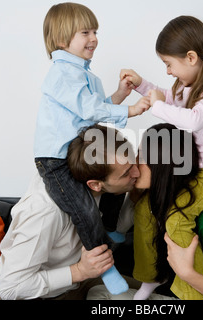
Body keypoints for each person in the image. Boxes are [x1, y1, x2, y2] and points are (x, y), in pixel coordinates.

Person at [34, 3, 150, 295]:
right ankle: (103, 264)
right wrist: (132, 111)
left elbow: (97, 109)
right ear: (62, 40)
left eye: (95, 31)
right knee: (85, 212)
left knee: (115, 181)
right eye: (85, 32)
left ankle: (110, 227)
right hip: (56, 160)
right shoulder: (61, 73)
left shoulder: (86, 75)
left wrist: (121, 95)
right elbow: (89, 107)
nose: (94, 38)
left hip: (81, 152)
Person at [120, 16, 203, 299]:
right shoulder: (188, 84)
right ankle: (151, 278)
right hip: (190, 166)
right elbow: (170, 102)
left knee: (177, 218)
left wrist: (158, 106)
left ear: (192, 57)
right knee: (146, 209)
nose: (169, 72)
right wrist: (142, 85)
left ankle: (192, 293)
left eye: (169, 64)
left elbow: (192, 120)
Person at [87, 124, 203, 300]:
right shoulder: (155, 206)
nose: (135, 164)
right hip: (175, 293)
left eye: (142, 156)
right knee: (98, 291)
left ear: (164, 165)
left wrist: (187, 273)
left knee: (102, 295)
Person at [0, 125, 141, 300]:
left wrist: (135, 199)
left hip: (85, 280)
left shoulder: (101, 178)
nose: (137, 172)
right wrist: (80, 271)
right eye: (127, 173)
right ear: (94, 184)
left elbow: (111, 235)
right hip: (41, 294)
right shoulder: (46, 212)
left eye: (134, 163)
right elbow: (10, 288)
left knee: (154, 291)